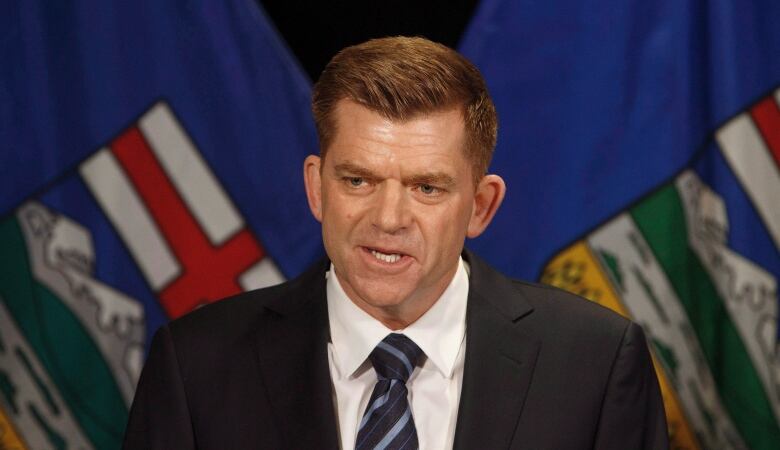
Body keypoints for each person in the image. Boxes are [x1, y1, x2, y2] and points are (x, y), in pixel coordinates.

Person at [123, 36, 668, 449]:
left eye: (426, 187)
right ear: (316, 188)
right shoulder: (196, 365)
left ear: (481, 206)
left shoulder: (595, 363)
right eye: (357, 180)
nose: (387, 218)